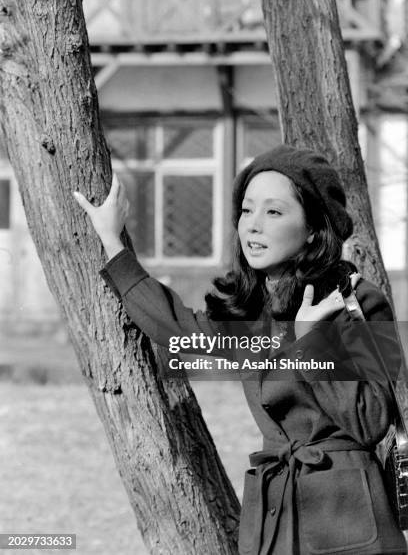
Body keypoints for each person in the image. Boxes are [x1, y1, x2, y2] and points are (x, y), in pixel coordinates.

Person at [73, 146, 407, 555]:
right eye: (247, 211)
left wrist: (310, 340)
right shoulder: (251, 313)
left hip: (350, 522)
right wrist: (112, 242)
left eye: (273, 212)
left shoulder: (361, 302)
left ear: (314, 229)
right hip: (275, 520)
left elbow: (372, 420)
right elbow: (175, 326)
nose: (253, 227)